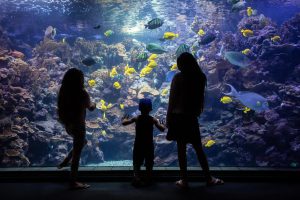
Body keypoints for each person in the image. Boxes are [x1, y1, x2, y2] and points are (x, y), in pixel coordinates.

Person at [166, 52, 224, 189]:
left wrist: (168, 119)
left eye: (179, 63)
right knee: (198, 148)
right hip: (191, 118)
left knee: (181, 149)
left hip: (179, 117)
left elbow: (172, 100)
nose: (178, 66)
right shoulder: (200, 77)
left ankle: (184, 180)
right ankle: (208, 178)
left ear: (182, 64)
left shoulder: (178, 78)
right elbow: (200, 99)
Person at [57, 68, 96, 189]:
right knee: (78, 153)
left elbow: (60, 107)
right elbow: (90, 107)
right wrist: (94, 103)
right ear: (80, 80)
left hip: (69, 125)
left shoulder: (63, 91)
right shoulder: (82, 92)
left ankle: (67, 159)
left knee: (82, 142)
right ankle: (73, 182)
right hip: (79, 125)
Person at [122, 98, 165, 187]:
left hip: (138, 143)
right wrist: (163, 124)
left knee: (137, 162)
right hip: (149, 144)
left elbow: (125, 123)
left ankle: (137, 178)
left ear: (139, 108)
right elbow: (162, 129)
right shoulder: (153, 119)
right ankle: (148, 177)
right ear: (151, 109)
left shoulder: (137, 118)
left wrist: (124, 119)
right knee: (149, 161)